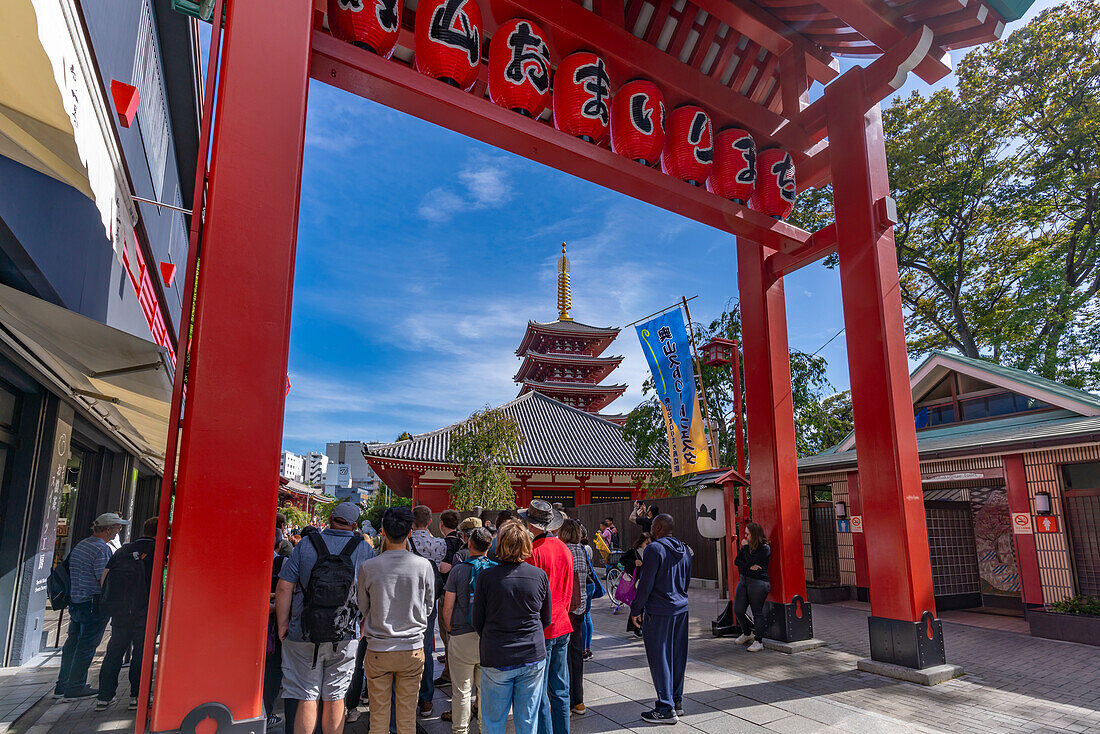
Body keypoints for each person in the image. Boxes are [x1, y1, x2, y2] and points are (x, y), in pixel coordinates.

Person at [276, 502, 375, 734]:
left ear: (331, 518)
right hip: (345, 632)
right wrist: (364, 621)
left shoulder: (306, 544)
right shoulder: (363, 548)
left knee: (307, 694)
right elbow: (371, 591)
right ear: (354, 525)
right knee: (335, 694)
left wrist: (283, 623)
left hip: (303, 630)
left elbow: (284, 587)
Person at [356, 506, 435, 734]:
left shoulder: (369, 567)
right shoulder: (424, 566)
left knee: (378, 719)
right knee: (407, 718)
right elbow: (429, 606)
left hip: (379, 647)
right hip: (411, 647)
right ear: (410, 532)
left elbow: (363, 606)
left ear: (383, 531)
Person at [472, 522, 552, 734]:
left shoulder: (486, 577)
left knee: (494, 722)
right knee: (527, 721)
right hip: (532, 653)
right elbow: (546, 618)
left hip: (497, 653)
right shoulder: (539, 576)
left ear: (499, 544)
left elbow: (477, 620)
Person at [55, 512, 129, 701]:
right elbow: (104, 578)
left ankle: (62, 684)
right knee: (87, 645)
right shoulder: (101, 549)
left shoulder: (82, 545)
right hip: (93, 603)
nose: (118, 530)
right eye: (116, 527)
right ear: (107, 529)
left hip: (76, 601)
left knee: (72, 643)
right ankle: (76, 685)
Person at [630, 514, 692, 725]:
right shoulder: (685, 550)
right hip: (681, 608)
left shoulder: (654, 549)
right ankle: (676, 701)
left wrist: (636, 608)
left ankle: (665, 707)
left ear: (657, 528)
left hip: (659, 610)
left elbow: (646, 583)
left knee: (660, 657)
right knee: (677, 656)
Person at [96, 517, 160, 712]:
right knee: (141, 653)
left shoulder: (124, 550)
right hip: (146, 610)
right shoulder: (159, 550)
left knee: (114, 651)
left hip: (121, 610)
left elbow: (104, 579)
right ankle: (137, 696)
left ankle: (104, 697)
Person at [519, 500, 572, 734]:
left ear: (531, 525)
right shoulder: (565, 549)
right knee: (560, 690)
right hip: (563, 623)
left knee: (539, 691)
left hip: (542, 629)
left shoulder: (533, 553)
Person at [440, 526, 494, 732]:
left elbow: (448, 606)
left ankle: (460, 730)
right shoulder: (495, 569)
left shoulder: (458, 570)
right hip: (488, 637)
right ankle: (483, 727)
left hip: (462, 634)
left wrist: (450, 629)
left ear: (469, 544)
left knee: (461, 691)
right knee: (485, 690)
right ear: (489, 546)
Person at [408, 505, 451, 717]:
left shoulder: (405, 543)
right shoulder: (440, 543)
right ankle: (426, 699)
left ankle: (407, 694)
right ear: (429, 522)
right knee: (425, 647)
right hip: (430, 598)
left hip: (407, 598)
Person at [558, 520, 591, 716]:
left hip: (567, 606)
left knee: (563, 656)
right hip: (581, 605)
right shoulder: (582, 549)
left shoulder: (563, 550)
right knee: (576, 654)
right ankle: (578, 700)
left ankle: (566, 701)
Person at [733, 522, 771, 653]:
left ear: (754, 534)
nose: (745, 536)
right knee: (738, 609)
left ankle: (758, 640)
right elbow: (737, 561)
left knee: (757, 612)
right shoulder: (746, 547)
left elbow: (752, 561)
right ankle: (747, 632)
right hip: (744, 581)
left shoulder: (764, 548)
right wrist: (749, 566)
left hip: (758, 582)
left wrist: (745, 551)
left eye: (747, 534)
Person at [620, 533, 651, 634]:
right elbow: (622, 560)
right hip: (637, 581)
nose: (649, 545)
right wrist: (634, 562)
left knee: (646, 604)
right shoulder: (633, 552)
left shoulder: (651, 552)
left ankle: (642, 626)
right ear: (641, 542)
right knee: (638, 603)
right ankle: (637, 627)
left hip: (648, 581)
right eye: (647, 543)